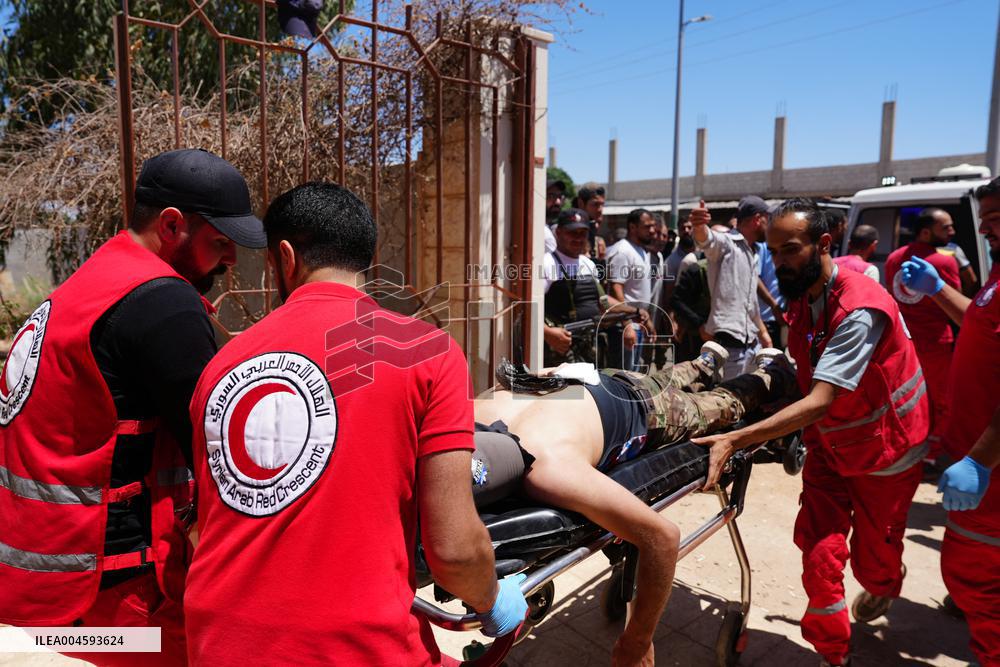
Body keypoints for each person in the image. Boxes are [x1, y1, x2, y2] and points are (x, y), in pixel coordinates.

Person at [184, 182, 527, 665]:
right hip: (354, 649)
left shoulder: (221, 366)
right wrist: (494, 600)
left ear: (284, 258)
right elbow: (453, 551)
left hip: (214, 641)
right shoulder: (426, 352)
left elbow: (209, 522)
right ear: (367, 256)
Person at [0, 148, 266, 665]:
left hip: (49, 584)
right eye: (220, 241)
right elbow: (224, 457)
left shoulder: (90, 284)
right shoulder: (161, 302)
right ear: (172, 225)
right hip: (124, 600)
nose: (232, 258)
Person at [693, 198, 930, 667]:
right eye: (774, 251)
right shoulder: (804, 294)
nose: (779, 262)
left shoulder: (860, 308)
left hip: (886, 450)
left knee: (873, 561)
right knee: (819, 552)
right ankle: (833, 654)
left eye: (790, 250)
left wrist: (736, 439)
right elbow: (807, 370)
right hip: (829, 444)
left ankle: (882, 583)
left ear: (823, 244)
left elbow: (823, 397)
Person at [473, 346, 797, 666]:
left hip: (644, 410)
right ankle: (704, 362)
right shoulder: (470, 413)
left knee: (720, 406)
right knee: (661, 380)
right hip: (588, 381)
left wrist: (638, 641)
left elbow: (663, 538)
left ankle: (773, 374)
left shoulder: (545, 468)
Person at [898, 176, 1000, 667]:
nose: (988, 233)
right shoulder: (998, 278)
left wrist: (981, 459)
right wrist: (939, 291)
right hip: (978, 458)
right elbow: (980, 325)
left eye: (998, 221)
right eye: (986, 224)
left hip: (993, 470)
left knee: (978, 580)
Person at [884, 207, 961, 462]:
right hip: (937, 344)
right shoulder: (944, 261)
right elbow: (954, 303)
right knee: (941, 400)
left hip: (905, 342)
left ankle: (908, 446)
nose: (952, 231)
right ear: (926, 232)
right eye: (946, 227)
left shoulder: (894, 258)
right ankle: (933, 453)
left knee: (908, 396)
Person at [542, 208, 649, 367]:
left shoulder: (588, 264)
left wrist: (632, 311)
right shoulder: (547, 263)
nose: (578, 238)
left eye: (583, 233)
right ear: (558, 232)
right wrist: (548, 334)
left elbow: (603, 302)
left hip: (588, 349)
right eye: (572, 232)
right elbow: (529, 308)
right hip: (559, 352)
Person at [690, 196, 772, 380]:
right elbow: (707, 240)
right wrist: (699, 226)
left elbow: (750, 303)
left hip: (751, 342)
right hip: (729, 343)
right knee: (729, 399)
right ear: (757, 219)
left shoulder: (753, 253)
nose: (770, 226)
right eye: (768, 220)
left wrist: (763, 333)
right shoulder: (728, 244)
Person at [607, 208, 657, 371]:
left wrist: (647, 322)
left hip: (637, 325)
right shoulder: (623, 251)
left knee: (632, 379)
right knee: (622, 381)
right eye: (646, 226)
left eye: (653, 226)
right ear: (633, 227)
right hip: (624, 328)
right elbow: (615, 288)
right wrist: (627, 323)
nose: (652, 230)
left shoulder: (641, 251)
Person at [577, 182, 608, 260]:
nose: (600, 209)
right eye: (595, 204)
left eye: (602, 204)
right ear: (581, 203)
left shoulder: (597, 238)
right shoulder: (567, 231)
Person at [544, 178, 567, 253]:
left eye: (559, 197)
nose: (558, 202)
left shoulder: (551, 228)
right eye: (551, 196)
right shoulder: (541, 231)